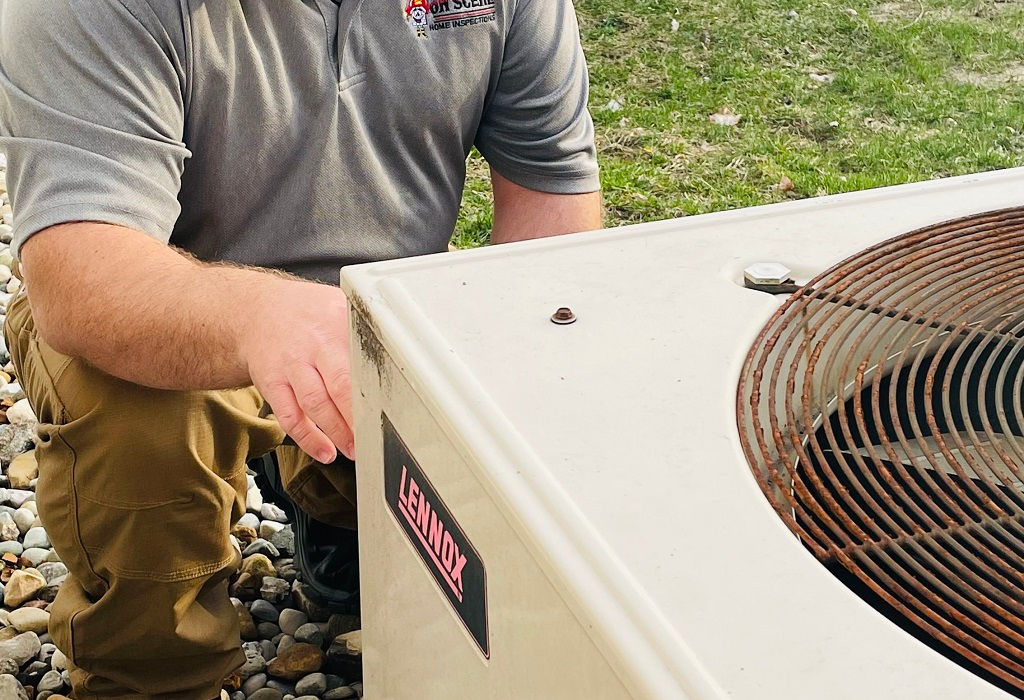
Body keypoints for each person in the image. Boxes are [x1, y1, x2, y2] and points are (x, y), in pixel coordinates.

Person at [0, 0, 602, 698]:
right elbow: (85, 277)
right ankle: (154, 676)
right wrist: (269, 321)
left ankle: (336, 505)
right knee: (141, 423)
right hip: (163, 309)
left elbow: (551, 227)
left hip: (372, 316)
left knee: (538, 390)